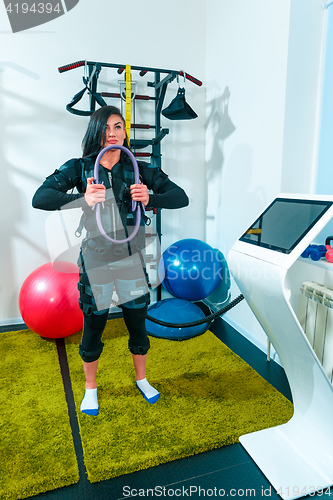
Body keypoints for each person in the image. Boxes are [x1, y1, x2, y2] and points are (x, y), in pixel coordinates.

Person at [32, 105, 189, 416]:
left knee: (137, 326)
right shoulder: (81, 168)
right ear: (95, 133)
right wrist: (81, 199)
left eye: (118, 127)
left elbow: (180, 196)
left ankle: (142, 379)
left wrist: (151, 198)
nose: (112, 134)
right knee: (94, 328)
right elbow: (41, 197)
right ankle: (91, 389)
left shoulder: (139, 168)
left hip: (131, 259)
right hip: (95, 261)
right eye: (105, 129)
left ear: (125, 132)